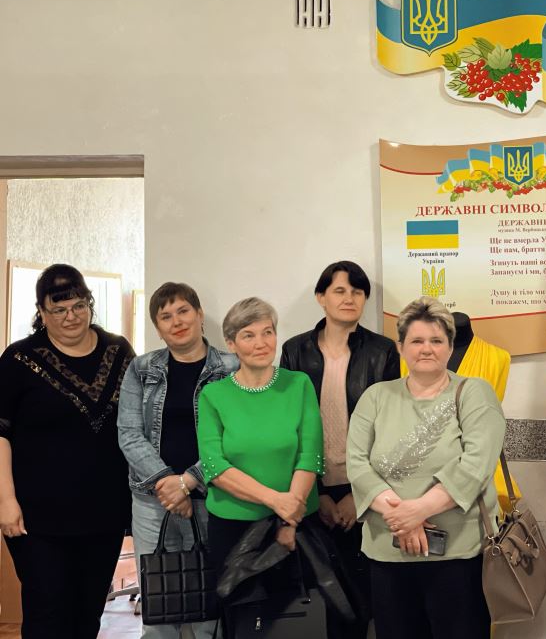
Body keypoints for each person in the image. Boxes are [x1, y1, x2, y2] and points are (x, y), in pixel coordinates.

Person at [346, 296, 506, 639]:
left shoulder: (474, 393)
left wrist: (418, 510)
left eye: (436, 340)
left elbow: (476, 465)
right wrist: (402, 517)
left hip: (459, 556)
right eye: (417, 341)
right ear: (401, 347)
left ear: (450, 347)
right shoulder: (376, 396)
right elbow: (356, 462)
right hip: (387, 553)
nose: (427, 349)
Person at [0, 264, 135, 639]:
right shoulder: (19, 359)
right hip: (37, 517)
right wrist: (5, 501)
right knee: (47, 613)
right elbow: (0, 433)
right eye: (58, 309)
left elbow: (137, 421)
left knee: (88, 614)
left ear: (89, 304)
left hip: (104, 511)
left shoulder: (119, 351)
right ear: (41, 313)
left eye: (78, 305)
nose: (70, 316)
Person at [280, 260, 399, 638]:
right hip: (309, 487)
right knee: (320, 602)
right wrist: (316, 495)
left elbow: (390, 429)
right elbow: (289, 428)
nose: (350, 298)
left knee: (365, 600)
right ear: (321, 297)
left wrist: (358, 495)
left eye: (357, 291)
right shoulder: (295, 350)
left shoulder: (383, 351)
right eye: (340, 291)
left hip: (365, 488)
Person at [117, 282, 238, 639]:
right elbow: (128, 433)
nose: (177, 321)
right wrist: (169, 484)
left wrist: (190, 481)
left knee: (210, 610)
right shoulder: (141, 368)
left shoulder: (232, 367)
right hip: (153, 502)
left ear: (199, 315)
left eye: (183, 311)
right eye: (165, 316)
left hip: (216, 497)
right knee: (159, 608)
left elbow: (237, 437)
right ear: (157, 327)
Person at [196, 297, 323, 584]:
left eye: (268, 332)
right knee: (239, 610)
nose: (261, 343)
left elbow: (310, 456)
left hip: (296, 527)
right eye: (248, 335)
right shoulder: (213, 395)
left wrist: (289, 519)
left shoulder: (299, 384)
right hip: (232, 530)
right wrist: (277, 501)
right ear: (231, 344)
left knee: (298, 610)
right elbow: (215, 466)